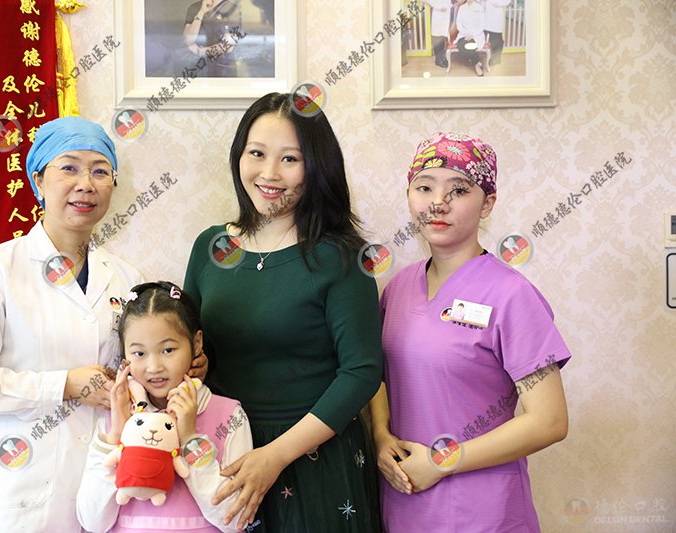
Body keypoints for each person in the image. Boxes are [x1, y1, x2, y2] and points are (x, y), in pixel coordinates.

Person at [0, 116, 206, 532]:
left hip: (111, 494)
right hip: (22, 495)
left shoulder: (127, 279)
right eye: (69, 168)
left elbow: (143, 374)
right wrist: (64, 385)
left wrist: (181, 367)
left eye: (100, 171)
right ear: (38, 181)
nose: (86, 184)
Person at [184, 92, 383, 532]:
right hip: (224, 451)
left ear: (318, 167)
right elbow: (191, 343)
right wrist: (192, 362)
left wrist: (275, 456)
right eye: (256, 153)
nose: (269, 173)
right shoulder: (210, 247)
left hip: (312, 458)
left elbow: (362, 372)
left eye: (290, 159)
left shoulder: (341, 257)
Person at [370, 132, 571, 532]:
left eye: (458, 190)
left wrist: (443, 461)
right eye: (424, 188)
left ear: (487, 203)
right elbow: (376, 372)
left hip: (483, 511)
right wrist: (380, 435)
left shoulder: (511, 295)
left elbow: (549, 420)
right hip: (405, 501)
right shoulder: (398, 287)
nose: (438, 203)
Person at [77, 281, 253, 532]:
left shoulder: (229, 415)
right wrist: (115, 436)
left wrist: (190, 439)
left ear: (197, 343)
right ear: (125, 355)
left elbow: (235, 520)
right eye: (139, 354)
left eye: (168, 350)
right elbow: (93, 522)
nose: (154, 367)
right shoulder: (115, 418)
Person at [183, 0, 241, 77]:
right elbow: (188, 40)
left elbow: (228, 46)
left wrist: (200, 51)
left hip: (224, 67)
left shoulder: (231, 8)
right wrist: (201, 12)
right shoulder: (195, 8)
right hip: (199, 67)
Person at [454, 0, 487, 76]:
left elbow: (481, 25)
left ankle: (476, 66)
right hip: (463, 34)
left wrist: (472, 34)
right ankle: (476, 63)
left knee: (471, 45)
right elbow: (459, 24)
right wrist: (466, 33)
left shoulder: (480, 8)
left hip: (476, 35)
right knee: (461, 46)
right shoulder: (462, 8)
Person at [422, 0, 454, 68]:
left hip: (446, 14)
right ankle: (438, 60)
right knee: (437, 37)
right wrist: (439, 7)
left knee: (443, 36)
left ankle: (442, 57)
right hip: (437, 13)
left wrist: (451, 5)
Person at [484, 0, 512, 66]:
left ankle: (496, 59)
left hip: (495, 19)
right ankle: (482, 58)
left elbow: (507, 1)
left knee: (497, 40)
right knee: (482, 39)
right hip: (484, 17)